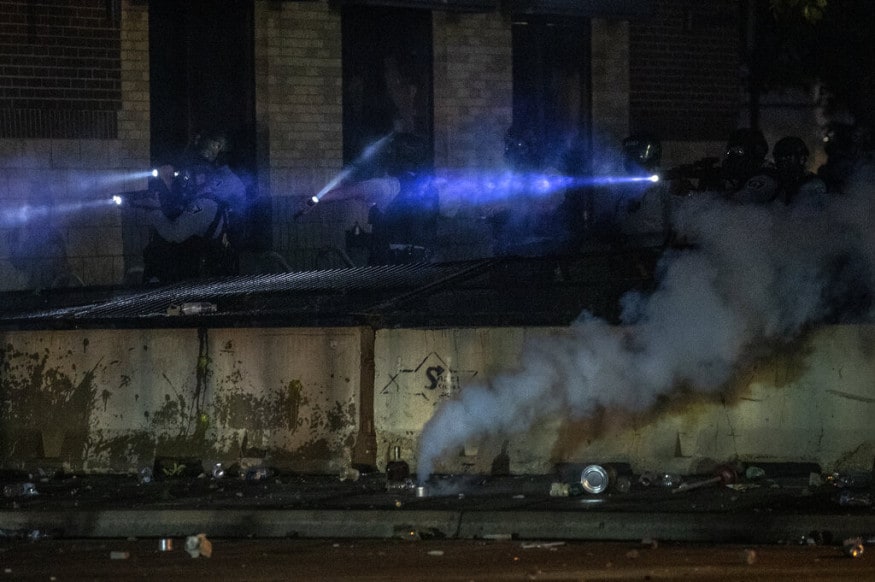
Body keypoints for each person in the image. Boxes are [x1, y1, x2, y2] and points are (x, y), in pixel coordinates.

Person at [140, 130, 246, 283]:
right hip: (203, 272)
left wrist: (155, 210)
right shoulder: (213, 190)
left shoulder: (212, 196)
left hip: (202, 276)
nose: (186, 179)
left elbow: (175, 233)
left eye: (192, 174)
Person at [8, 184, 76, 291]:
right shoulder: (33, 238)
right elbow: (19, 262)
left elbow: (64, 274)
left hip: (50, 297)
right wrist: (14, 237)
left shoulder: (54, 237)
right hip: (34, 296)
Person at [771, 136, 828, 209]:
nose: (782, 160)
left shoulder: (813, 184)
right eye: (779, 156)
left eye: (788, 156)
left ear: (802, 158)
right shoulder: (774, 181)